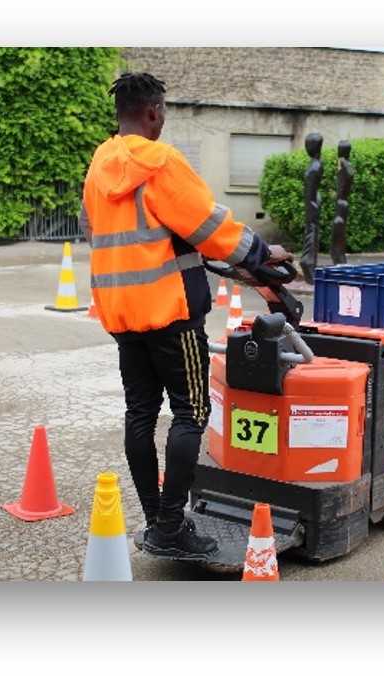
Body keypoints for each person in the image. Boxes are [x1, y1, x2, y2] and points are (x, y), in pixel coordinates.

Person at [80, 72, 293, 560]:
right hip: (171, 312)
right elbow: (211, 227)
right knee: (192, 412)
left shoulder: (98, 166)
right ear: (153, 113)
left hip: (120, 314)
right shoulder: (161, 162)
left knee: (139, 412)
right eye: (163, 116)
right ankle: (172, 526)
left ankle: (158, 518)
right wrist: (262, 253)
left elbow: (100, 230)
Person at [300, 133, 323, 284]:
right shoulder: (316, 164)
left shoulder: (315, 166)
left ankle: (307, 262)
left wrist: (314, 203)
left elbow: (311, 190)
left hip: (312, 204)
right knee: (311, 232)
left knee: (311, 233)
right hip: (313, 203)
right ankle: (308, 263)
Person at [330, 140, 353, 265]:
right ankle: (338, 257)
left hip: (342, 201)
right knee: (339, 228)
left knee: (339, 228)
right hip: (342, 200)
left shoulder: (344, 163)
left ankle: (339, 258)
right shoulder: (345, 163)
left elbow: (349, 175)